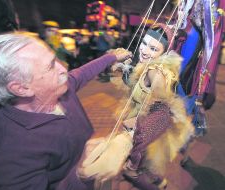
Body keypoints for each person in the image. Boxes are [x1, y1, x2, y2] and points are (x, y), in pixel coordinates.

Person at [0, 32, 132, 190]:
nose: (63, 68)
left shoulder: (58, 86)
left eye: (55, 59)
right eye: (50, 66)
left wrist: (112, 57)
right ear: (21, 88)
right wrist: (81, 174)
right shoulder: (3, 158)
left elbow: (81, 73)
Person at [78, 52, 194, 190]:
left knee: (131, 171)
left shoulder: (156, 74)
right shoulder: (144, 67)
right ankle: (158, 181)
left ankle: (157, 185)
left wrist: (127, 140)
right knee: (145, 163)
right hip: (133, 122)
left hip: (143, 127)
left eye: (153, 48)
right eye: (144, 43)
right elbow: (134, 84)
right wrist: (124, 68)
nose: (145, 50)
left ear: (163, 53)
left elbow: (163, 113)